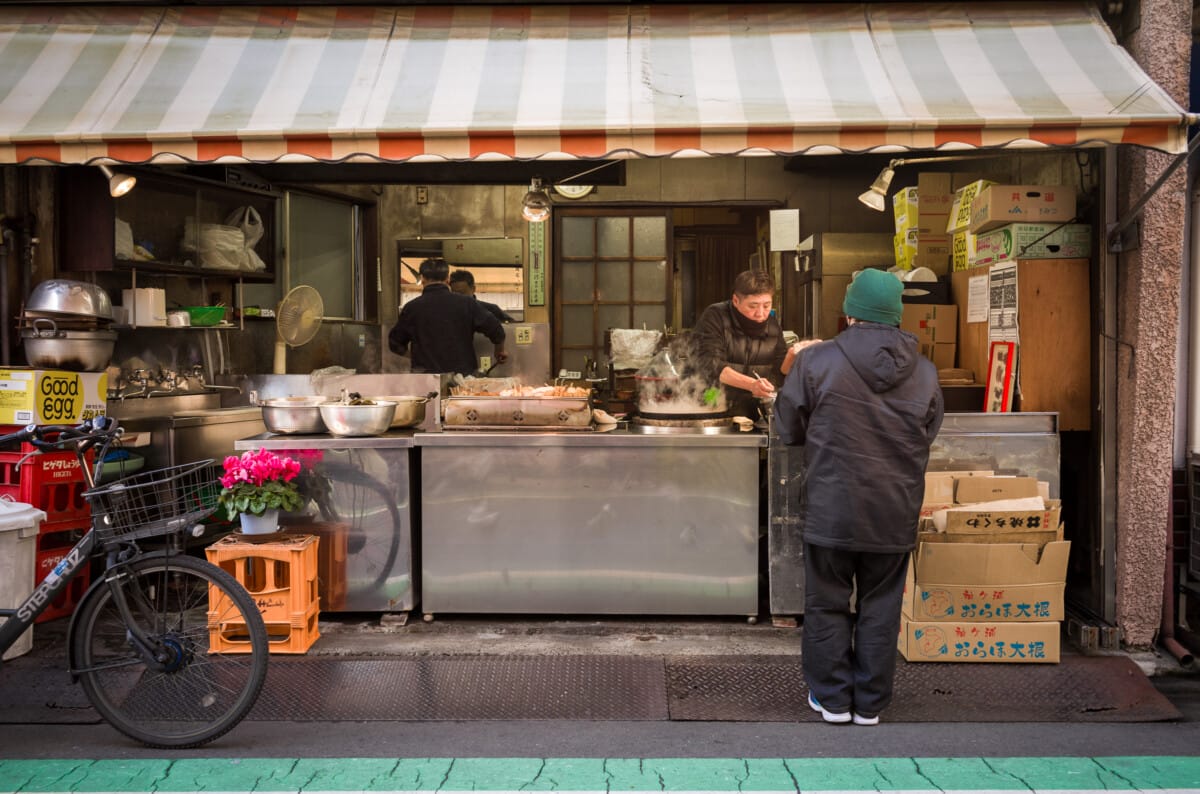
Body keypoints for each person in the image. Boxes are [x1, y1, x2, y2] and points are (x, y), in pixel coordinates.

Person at [772, 267, 944, 726]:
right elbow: (927, 433)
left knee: (827, 601)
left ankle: (832, 700)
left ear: (849, 314)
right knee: (882, 603)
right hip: (894, 508)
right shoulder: (925, 371)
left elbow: (787, 429)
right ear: (896, 317)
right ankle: (869, 704)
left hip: (832, 506)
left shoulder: (816, 361)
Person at [691, 269, 804, 420]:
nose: (761, 313)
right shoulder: (715, 316)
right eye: (753, 306)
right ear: (736, 301)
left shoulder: (772, 324)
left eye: (766, 305)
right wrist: (752, 385)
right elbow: (712, 365)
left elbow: (780, 370)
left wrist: (793, 355)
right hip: (712, 398)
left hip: (751, 409)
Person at [388, 258, 508, 375]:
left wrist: (417, 358)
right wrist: (499, 351)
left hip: (426, 380)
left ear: (422, 279)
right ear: (447, 279)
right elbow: (496, 329)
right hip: (461, 378)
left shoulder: (412, 308)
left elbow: (394, 343)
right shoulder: (467, 303)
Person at [449, 269, 514, 323]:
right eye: (454, 294)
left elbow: (513, 327)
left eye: (462, 293)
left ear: (473, 289)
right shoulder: (448, 312)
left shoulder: (491, 309)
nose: (458, 298)